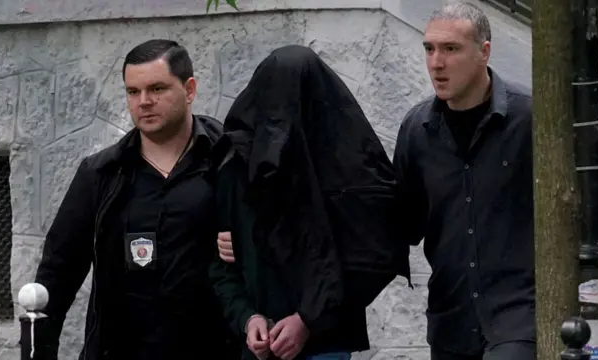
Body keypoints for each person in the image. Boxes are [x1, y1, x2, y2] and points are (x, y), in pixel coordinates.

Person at [34, 39, 238, 359]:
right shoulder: (101, 174)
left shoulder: (229, 162)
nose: (144, 101)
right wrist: (38, 351)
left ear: (189, 90)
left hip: (216, 348)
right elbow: (58, 272)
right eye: (133, 91)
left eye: (157, 88)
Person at [209, 45, 411, 360]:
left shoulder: (351, 171)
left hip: (327, 344)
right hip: (256, 347)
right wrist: (247, 318)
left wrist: (308, 320)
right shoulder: (238, 166)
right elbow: (221, 265)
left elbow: (375, 257)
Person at [393, 3, 535, 359]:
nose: (436, 63)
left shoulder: (531, 120)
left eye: (450, 49)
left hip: (520, 319)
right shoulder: (416, 131)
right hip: (451, 325)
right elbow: (396, 225)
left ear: (483, 52)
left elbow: (592, 214)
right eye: (429, 48)